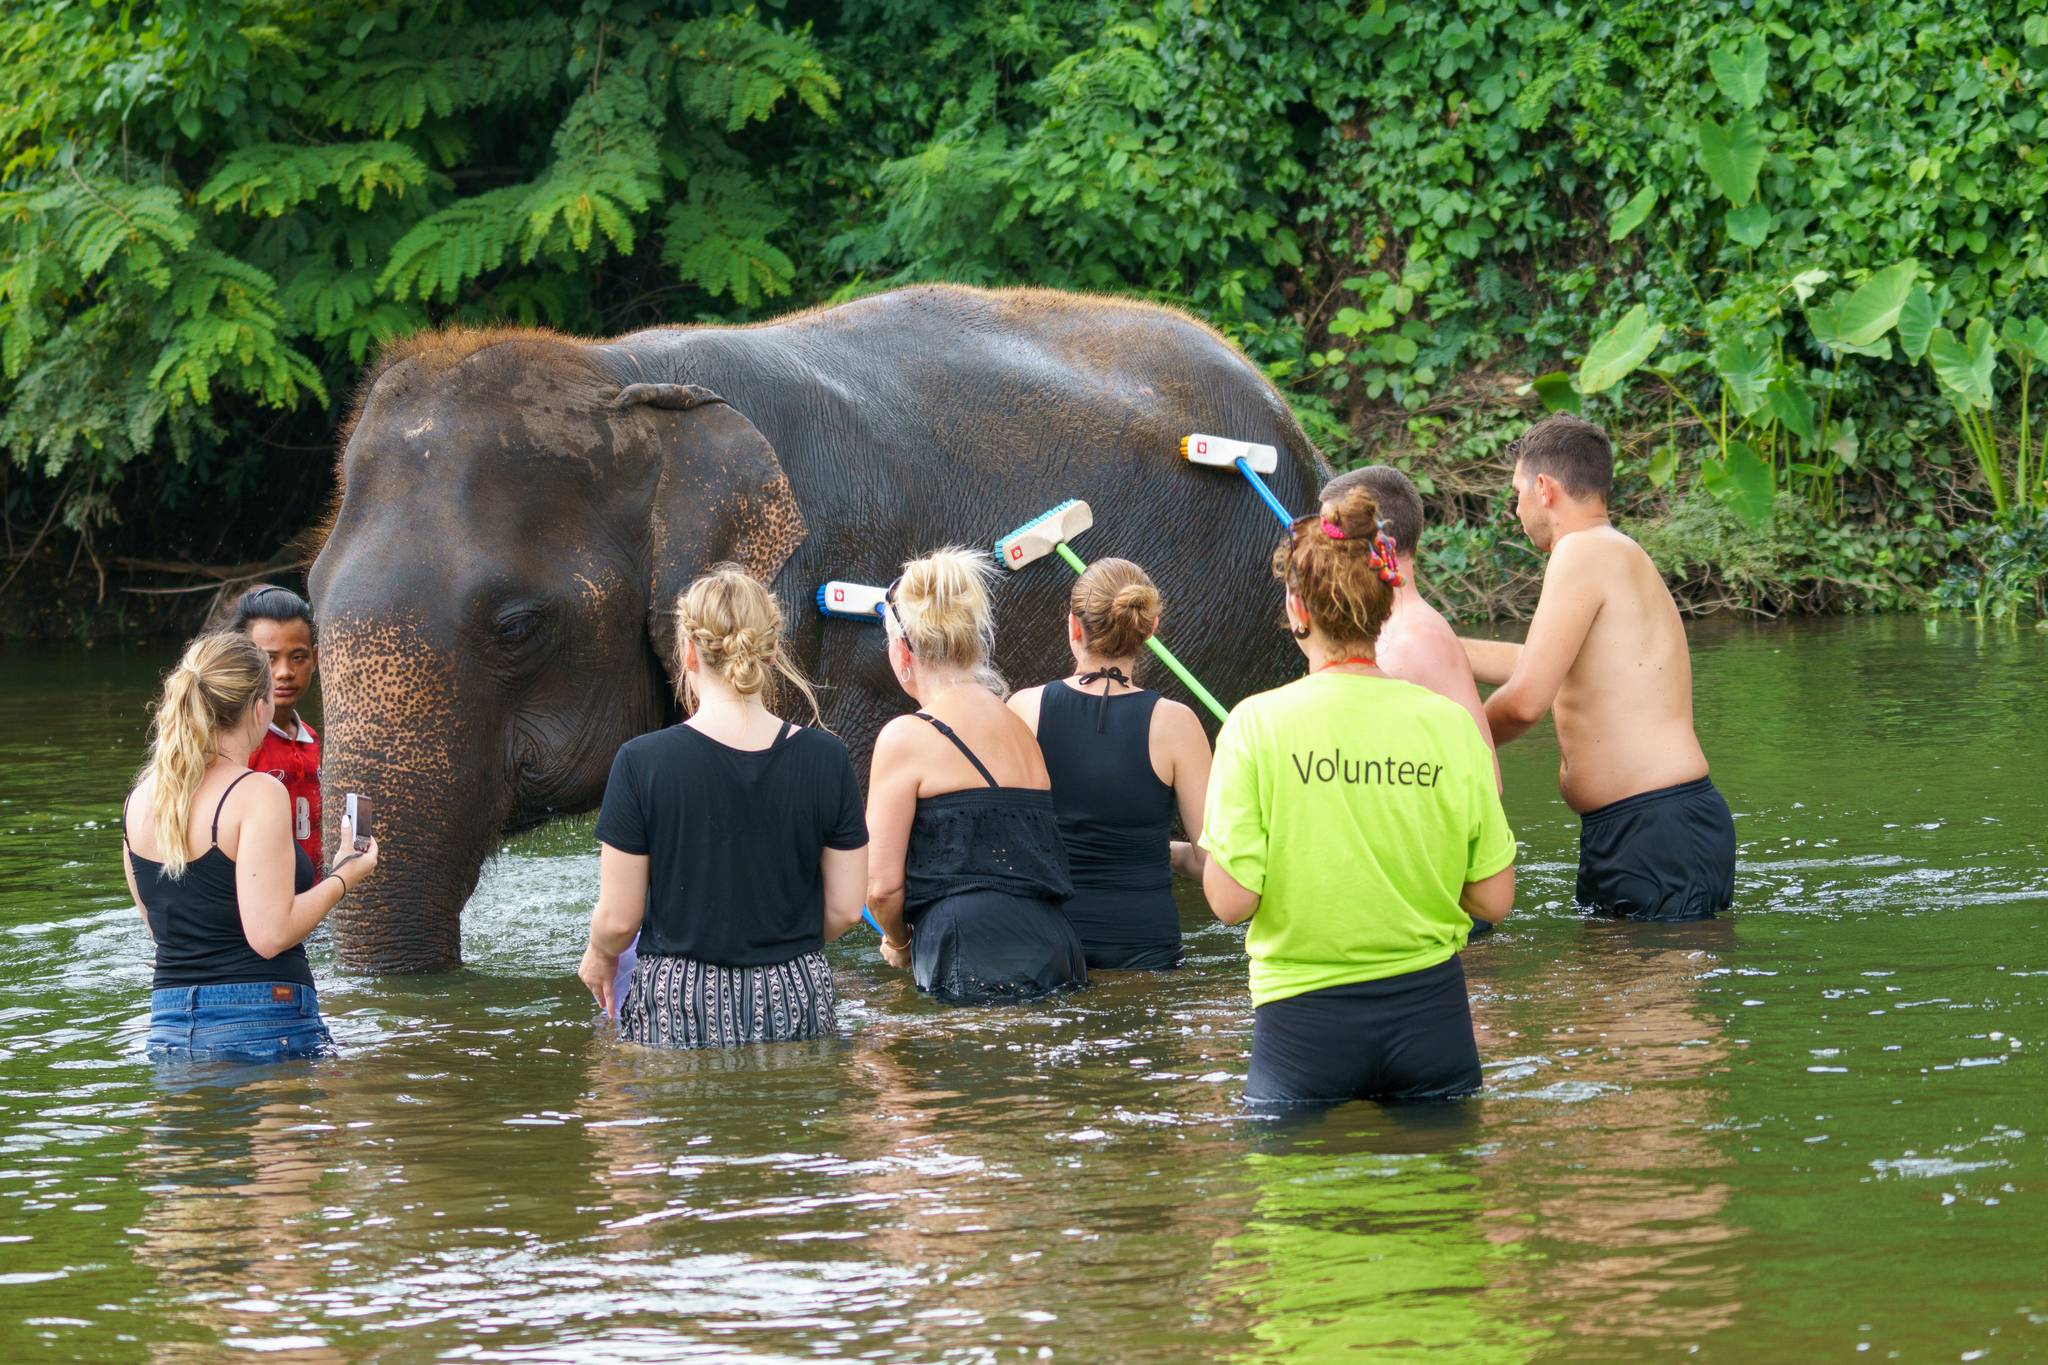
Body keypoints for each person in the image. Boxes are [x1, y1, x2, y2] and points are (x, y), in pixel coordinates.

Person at [1199, 484, 1516, 1107]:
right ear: (1385, 603)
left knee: (1296, 1201)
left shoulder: (1254, 724)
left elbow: (1233, 903)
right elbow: (1495, 898)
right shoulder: (1449, 724)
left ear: (1297, 608)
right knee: (1442, 1200)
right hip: (1433, 1019)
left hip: (1303, 1028)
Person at [1458, 415, 1736, 921]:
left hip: (1656, 825)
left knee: (1648, 996)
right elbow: (1542, 664)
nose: (1515, 510)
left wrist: (1447, 747)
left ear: (1543, 489)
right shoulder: (1607, 551)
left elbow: (1525, 702)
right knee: (1606, 996)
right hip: (1642, 824)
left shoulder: (1582, 552)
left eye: (1516, 493)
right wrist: (1441, 647)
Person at [577, 565, 868, 1047]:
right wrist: (774, 941)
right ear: (773, 649)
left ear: (688, 653)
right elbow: (845, 909)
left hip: (679, 1001)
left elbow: (618, 919)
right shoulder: (828, 758)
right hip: (794, 996)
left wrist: (598, 954)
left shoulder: (641, 762)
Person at [121, 632, 379, 1062]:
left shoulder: (140, 800)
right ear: (260, 709)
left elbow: (159, 928)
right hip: (266, 1017)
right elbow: (270, 935)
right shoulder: (258, 793)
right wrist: (344, 875)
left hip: (168, 1026)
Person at [865, 547, 1087, 1005]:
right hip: (1057, 945)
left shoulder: (905, 736)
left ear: (904, 651)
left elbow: (882, 889)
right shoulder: (1020, 729)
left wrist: (900, 945)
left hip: (968, 950)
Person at [1007, 558, 1211, 970]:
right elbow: (1212, 861)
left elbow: (1006, 844)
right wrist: (1162, 851)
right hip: (1146, 948)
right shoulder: (1177, 723)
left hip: (1048, 946)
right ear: (1150, 630)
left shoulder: (1024, 710)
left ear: (1073, 627)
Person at [1319, 466, 1498, 787]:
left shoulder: (1417, 638)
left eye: (1331, 535)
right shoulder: (1379, 630)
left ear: (1379, 544)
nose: (1322, 550)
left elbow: (1486, 781)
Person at [230, 585, 323, 868]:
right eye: (268, 659)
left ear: (316, 659)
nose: (284, 672)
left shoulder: (313, 740)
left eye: (298, 657)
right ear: (241, 660)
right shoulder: (234, 744)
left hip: (315, 899)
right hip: (255, 900)